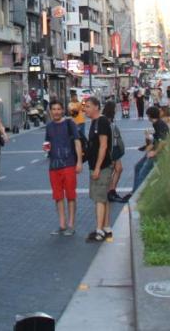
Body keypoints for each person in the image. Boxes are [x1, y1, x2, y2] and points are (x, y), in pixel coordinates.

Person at [44, 100, 83, 236]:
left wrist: (79, 162)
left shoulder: (69, 123)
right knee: (58, 196)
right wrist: (46, 148)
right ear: (50, 111)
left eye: (58, 109)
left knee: (71, 196)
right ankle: (62, 224)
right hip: (54, 166)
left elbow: (78, 142)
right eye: (53, 109)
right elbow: (47, 143)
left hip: (69, 164)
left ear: (62, 110)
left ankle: (71, 225)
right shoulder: (48, 126)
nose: (56, 112)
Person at [120, 105, 169, 201]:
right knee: (138, 167)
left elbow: (163, 140)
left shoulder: (159, 124)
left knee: (143, 172)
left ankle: (138, 196)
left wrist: (154, 152)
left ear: (150, 115)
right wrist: (148, 141)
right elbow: (157, 139)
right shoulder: (157, 124)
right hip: (154, 150)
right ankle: (135, 192)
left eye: (148, 115)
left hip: (158, 152)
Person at [83, 97, 112, 243]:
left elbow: (103, 145)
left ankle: (99, 230)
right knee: (102, 197)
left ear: (96, 107)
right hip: (96, 166)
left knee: (99, 199)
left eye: (88, 106)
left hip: (102, 167)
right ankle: (106, 227)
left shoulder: (101, 122)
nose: (85, 109)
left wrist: (98, 167)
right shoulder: (95, 122)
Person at [104, 101, 126, 202]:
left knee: (119, 169)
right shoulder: (105, 121)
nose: (117, 109)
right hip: (111, 149)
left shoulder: (110, 120)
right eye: (115, 108)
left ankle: (112, 190)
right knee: (112, 170)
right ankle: (110, 191)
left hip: (115, 148)